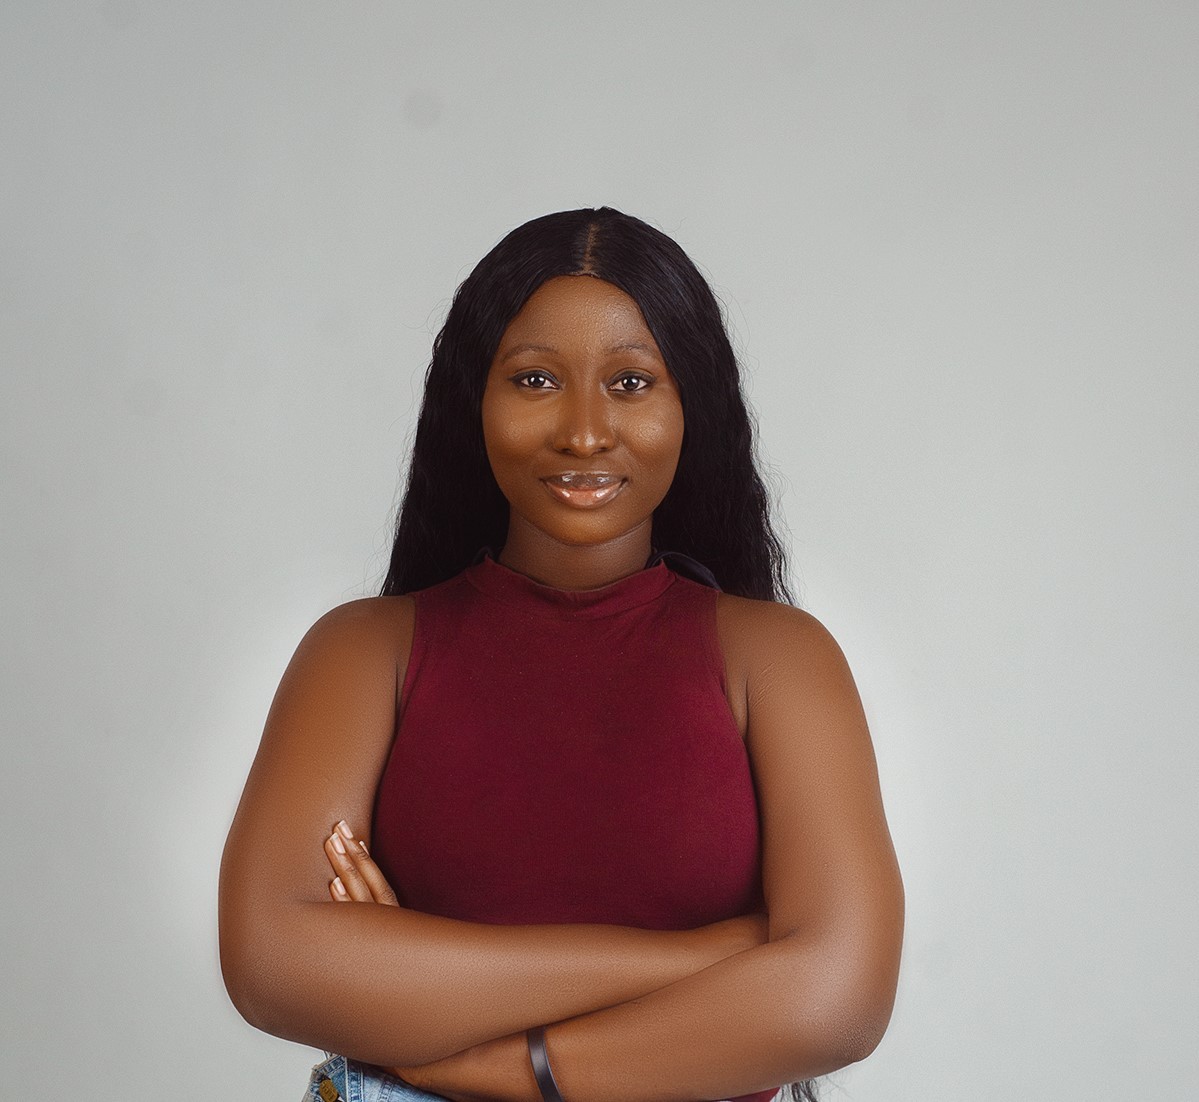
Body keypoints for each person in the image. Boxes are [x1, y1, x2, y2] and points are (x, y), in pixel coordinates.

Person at [219, 207, 904, 1102]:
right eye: (535, 379)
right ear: (475, 400)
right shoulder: (363, 653)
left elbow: (834, 1003)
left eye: (630, 383)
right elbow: (272, 961)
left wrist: (490, 1064)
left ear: (690, 402)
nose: (583, 434)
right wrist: (707, 958)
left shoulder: (776, 658)